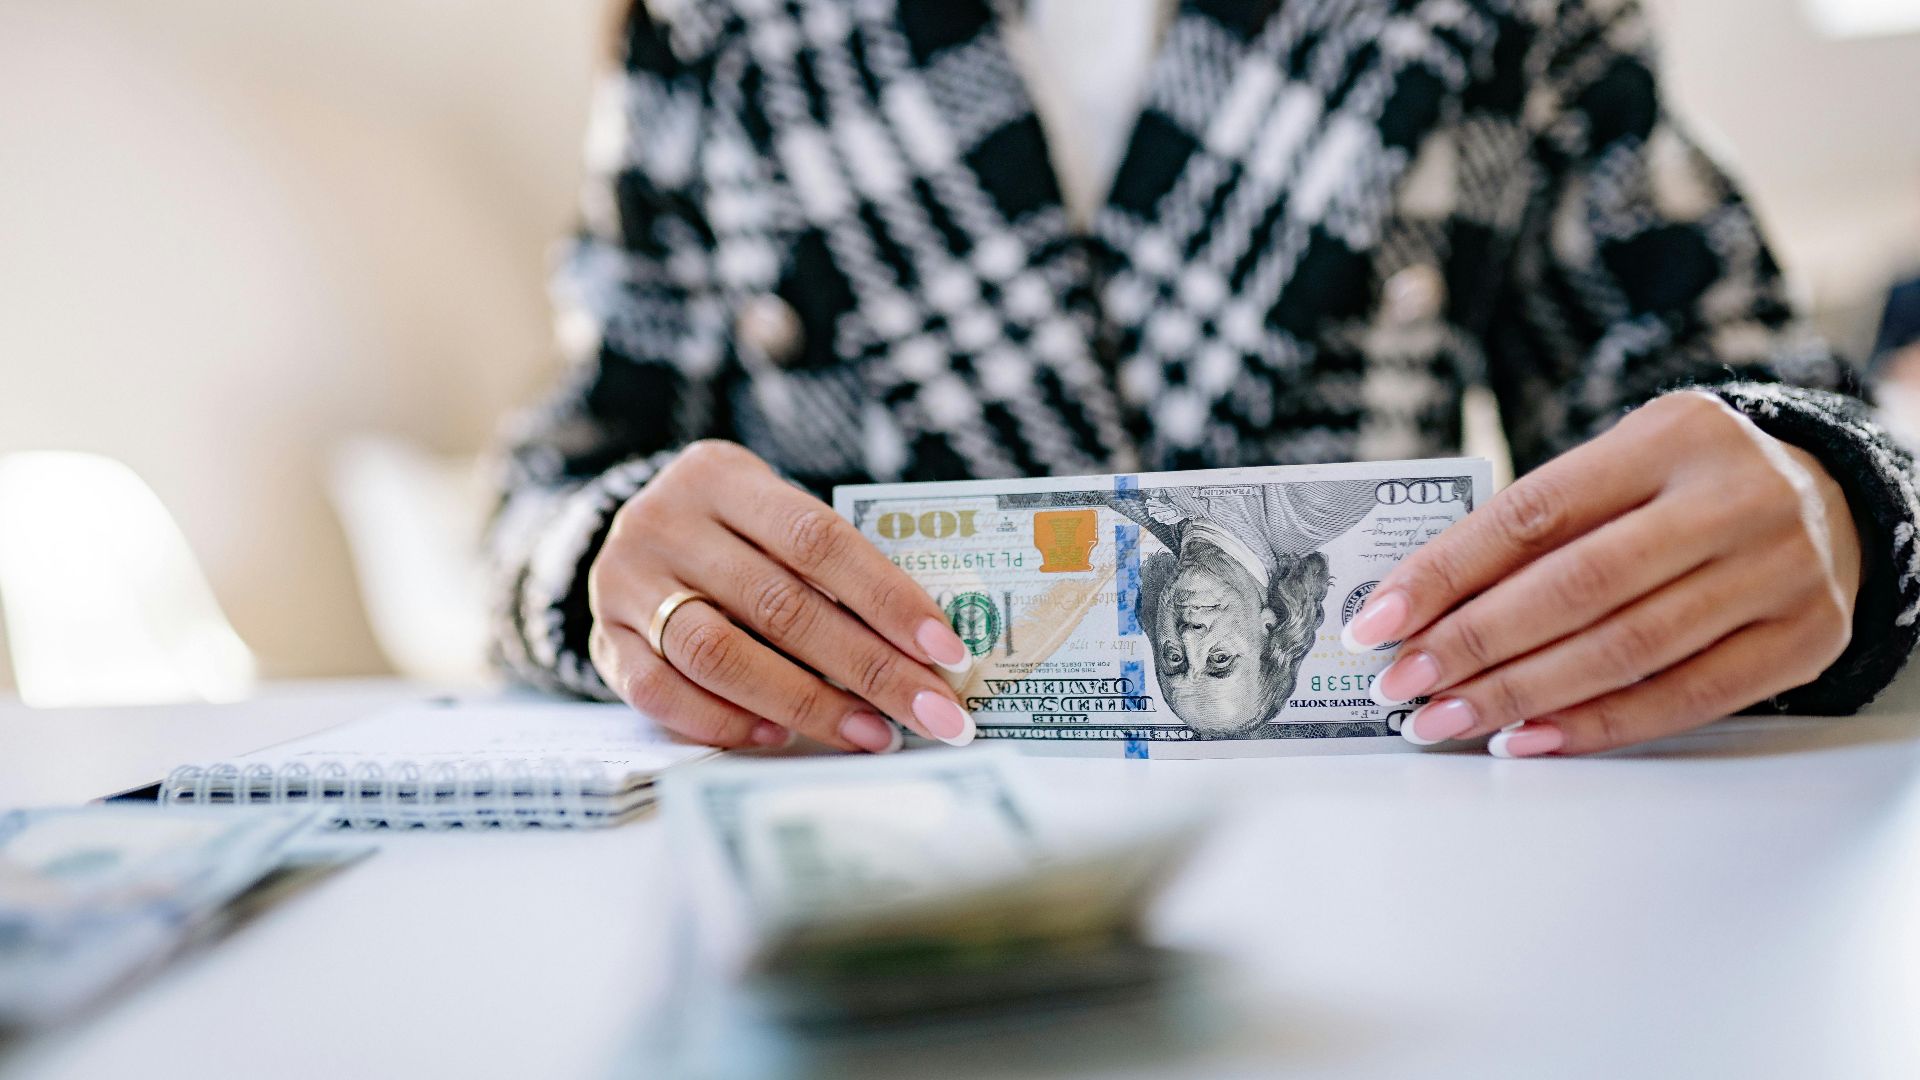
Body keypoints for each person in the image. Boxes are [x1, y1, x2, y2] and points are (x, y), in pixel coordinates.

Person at [488, 0, 1918, 759]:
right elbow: (555, 490)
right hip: (879, 915)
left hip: (1416, 902)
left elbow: (1741, 400)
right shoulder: (716, 27)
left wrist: (1834, 499)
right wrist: (607, 565)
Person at [1112, 478, 1377, 738]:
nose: (1188, 636)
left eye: (1174, 657)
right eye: (1220, 658)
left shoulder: (1129, 502)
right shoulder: (1319, 507)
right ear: (1270, 627)